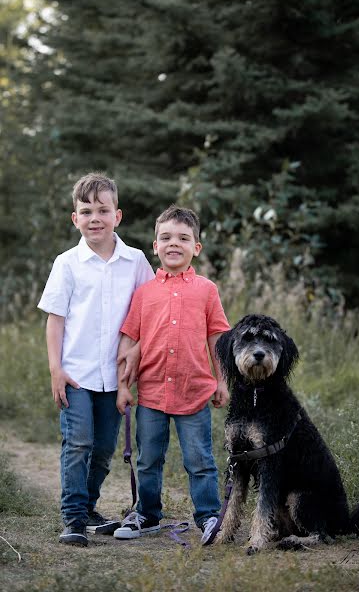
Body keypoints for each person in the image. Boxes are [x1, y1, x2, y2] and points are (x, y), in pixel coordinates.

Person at [37, 173, 154, 546]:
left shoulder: (135, 261)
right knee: (78, 443)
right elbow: (56, 321)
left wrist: (135, 350)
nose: (94, 218)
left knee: (104, 449)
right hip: (75, 373)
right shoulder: (67, 263)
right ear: (75, 218)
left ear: (117, 216)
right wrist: (56, 369)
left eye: (103, 210)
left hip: (114, 377)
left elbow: (146, 313)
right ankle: (72, 517)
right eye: (86, 211)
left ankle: (88, 506)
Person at [113, 205, 230, 545]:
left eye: (183, 237)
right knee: (149, 458)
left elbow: (217, 339)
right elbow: (129, 342)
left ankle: (209, 516)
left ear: (196, 247)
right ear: (155, 245)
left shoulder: (207, 290)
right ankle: (147, 514)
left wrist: (222, 380)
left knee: (200, 460)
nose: (173, 243)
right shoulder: (144, 292)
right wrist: (123, 388)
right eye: (165, 237)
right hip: (151, 392)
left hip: (194, 392)